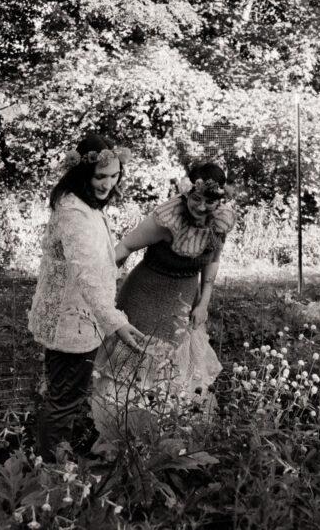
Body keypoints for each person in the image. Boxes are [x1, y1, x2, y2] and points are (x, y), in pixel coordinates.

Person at [90, 162, 237, 449]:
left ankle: (169, 439)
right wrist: (100, 283)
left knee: (177, 361)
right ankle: (122, 438)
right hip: (146, 294)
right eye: (196, 198)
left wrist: (203, 303)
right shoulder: (166, 219)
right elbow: (124, 248)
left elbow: (213, 260)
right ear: (186, 194)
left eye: (209, 201)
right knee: (137, 359)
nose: (201, 206)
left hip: (183, 299)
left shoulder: (220, 221)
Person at [28, 134, 148, 459]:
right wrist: (115, 321)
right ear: (82, 173)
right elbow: (85, 274)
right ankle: (52, 474)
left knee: (67, 393)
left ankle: (55, 458)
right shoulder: (73, 213)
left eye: (114, 176)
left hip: (82, 318)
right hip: (69, 322)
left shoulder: (86, 206)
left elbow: (97, 263)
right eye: (100, 176)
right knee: (64, 398)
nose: (108, 184)